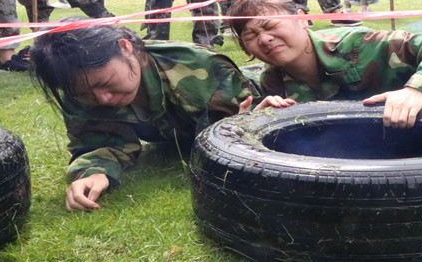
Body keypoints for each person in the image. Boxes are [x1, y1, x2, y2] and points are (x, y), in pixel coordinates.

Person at [29, 20, 258, 212]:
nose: (103, 99)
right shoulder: (78, 91)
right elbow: (96, 142)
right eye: (85, 94)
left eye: (105, 83)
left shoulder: (201, 67)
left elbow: (246, 131)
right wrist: (95, 172)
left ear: (125, 47)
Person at [225, 0, 422, 129]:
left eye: (271, 26)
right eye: (251, 35)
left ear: (303, 19)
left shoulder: (359, 46)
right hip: (380, 125)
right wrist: (252, 123)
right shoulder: (273, 80)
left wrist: (416, 90)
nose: (265, 39)